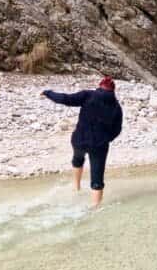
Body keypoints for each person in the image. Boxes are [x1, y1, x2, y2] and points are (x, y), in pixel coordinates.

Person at [42, 76, 123, 208]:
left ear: (100, 86)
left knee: (77, 159)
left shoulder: (88, 95)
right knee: (97, 177)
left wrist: (48, 93)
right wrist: (106, 139)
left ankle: (76, 187)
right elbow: (117, 129)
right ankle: (95, 207)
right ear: (113, 90)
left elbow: (65, 99)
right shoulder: (116, 106)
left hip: (80, 139)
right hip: (99, 145)